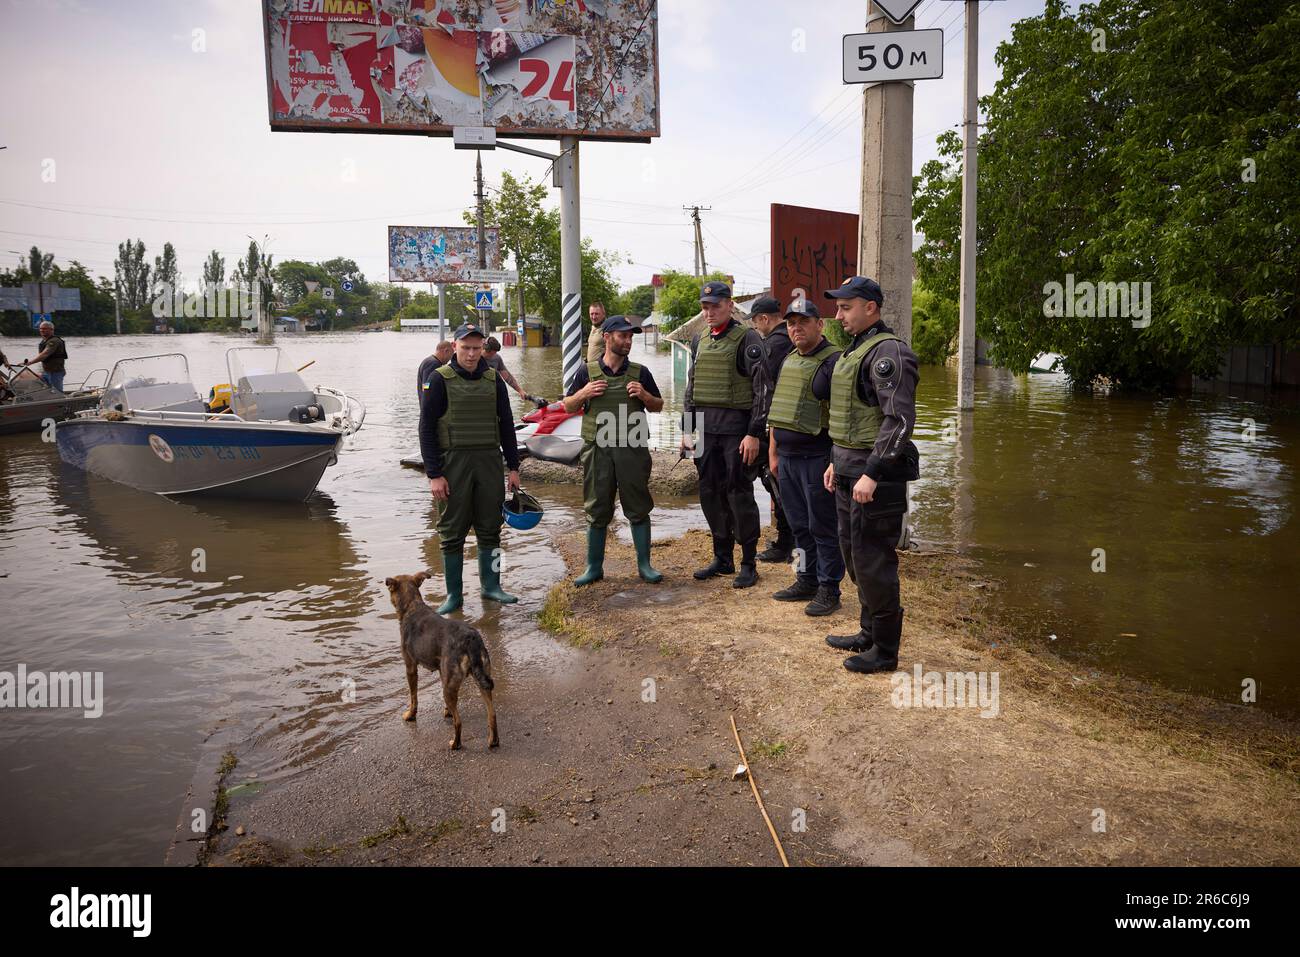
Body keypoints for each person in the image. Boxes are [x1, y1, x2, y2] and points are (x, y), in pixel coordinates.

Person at [822, 277, 920, 674]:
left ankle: (885, 652)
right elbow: (851, 419)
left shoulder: (889, 353)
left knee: (874, 561)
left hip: (874, 479)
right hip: (848, 471)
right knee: (853, 556)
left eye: (846, 307)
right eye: (838, 306)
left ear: (871, 308)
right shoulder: (856, 350)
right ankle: (868, 631)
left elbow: (898, 421)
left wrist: (873, 474)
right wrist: (836, 461)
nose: (838, 314)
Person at [419, 322, 522, 614]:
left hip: (489, 462)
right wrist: (434, 474)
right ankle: (454, 595)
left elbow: (507, 427)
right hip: (453, 463)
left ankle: (492, 586)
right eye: (466, 348)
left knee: (492, 528)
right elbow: (426, 428)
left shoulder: (494, 380)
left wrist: (513, 467)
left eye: (477, 348)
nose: (472, 354)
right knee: (451, 531)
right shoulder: (438, 379)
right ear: (455, 347)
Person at [563, 315, 665, 586]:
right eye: (622, 336)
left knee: (638, 506)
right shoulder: (586, 372)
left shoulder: (640, 372)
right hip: (598, 449)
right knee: (596, 508)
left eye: (631, 336)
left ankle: (645, 565)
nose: (628, 341)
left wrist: (644, 396)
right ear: (607, 337)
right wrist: (584, 393)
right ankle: (593, 568)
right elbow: (568, 406)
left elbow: (659, 406)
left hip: (632, 448)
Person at [681, 280, 769, 588]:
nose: (709, 312)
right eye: (705, 307)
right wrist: (687, 430)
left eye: (715, 306)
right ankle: (722, 557)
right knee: (710, 493)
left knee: (738, 494)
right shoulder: (699, 340)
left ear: (730, 306)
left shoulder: (748, 339)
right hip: (705, 429)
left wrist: (754, 433)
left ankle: (748, 562)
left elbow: (762, 390)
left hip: (736, 430)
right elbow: (691, 386)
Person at [766, 299, 844, 617]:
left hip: (817, 458)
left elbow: (844, 417)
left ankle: (829, 589)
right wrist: (772, 451)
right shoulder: (788, 359)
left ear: (819, 325)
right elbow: (778, 411)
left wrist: (835, 461)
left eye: (803, 321)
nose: (796, 328)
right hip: (786, 459)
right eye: (790, 323)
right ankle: (804, 578)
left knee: (822, 527)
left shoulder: (834, 362)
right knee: (798, 526)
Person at [747, 296, 795, 563]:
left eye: (756, 323)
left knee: (775, 481)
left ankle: (787, 543)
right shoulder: (790, 340)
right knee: (783, 483)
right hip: (791, 424)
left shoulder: (773, 345)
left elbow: (764, 389)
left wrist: (756, 428)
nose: (755, 328)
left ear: (764, 319)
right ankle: (789, 541)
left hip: (776, 423)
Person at [24, 321, 68, 393]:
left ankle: (61, 403)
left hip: (55, 372)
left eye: (45, 329)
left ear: (51, 330)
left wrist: (29, 363)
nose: (42, 330)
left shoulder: (54, 341)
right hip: (46, 372)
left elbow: (44, 354)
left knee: (57, 393)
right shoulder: (44, 341)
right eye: (40, 328)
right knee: (39, 389)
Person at [416, 340, 455, 404]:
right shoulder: (433, 364)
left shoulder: (428, 361)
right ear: (446, 351)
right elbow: (426, 385)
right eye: (451, 354)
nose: (450, 359)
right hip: (430, 406)